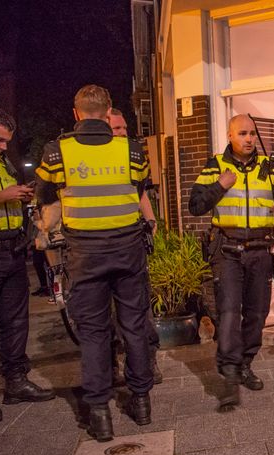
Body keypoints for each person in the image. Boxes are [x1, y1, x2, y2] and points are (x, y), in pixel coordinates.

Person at [35, 85, 154, 441]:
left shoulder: (57, 154)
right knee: (134, 326)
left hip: (85, 255)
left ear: (76, 113)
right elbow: (139, 187)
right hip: (128, 250)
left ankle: (100, 412)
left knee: (93, 333)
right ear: (108, 113)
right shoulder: (131, 151)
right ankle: (142, 401)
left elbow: (45, 199)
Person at [189, 114, 274, 410]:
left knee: (257, 315)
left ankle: (245, 363)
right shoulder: (215, 166)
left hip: (261, 250)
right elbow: (195, 205)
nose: (249, 139)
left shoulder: (268, 167)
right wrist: (220, 186)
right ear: (230, 135)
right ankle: (230, 368)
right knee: (230, 312)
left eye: (252, 134)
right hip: (229, 251)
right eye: (243, 133)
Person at [0, 108, 56, 423]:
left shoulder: (2, 164)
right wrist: (5, 194)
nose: (4, 146)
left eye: (6, 141)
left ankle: (15, 382)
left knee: (15, 323)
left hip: (12, 250)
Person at [107, 107, 162, 386]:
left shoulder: (131, 155)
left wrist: (150, 219)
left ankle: (146, 362)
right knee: (105, 315)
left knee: (141, 310)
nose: (123, 133)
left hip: (130, 244)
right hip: (100, 247)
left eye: (124, 128)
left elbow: (140, 192)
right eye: (117, 129)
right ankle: (112, 366)